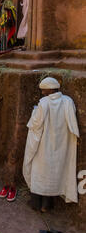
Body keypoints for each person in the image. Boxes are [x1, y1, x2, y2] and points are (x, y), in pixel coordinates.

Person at [23, 77, 80, 212]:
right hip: (61, 144)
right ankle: (46, 205)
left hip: (44, 143)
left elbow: (36, 124)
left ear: (50, 89)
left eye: (43, 90)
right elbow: (72, 123)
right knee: (54, 173)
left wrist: (34, 111)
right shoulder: (68, 101)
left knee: (39, 172)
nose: (42, 93)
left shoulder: (44, 103)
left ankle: (36, 204)